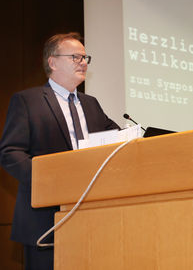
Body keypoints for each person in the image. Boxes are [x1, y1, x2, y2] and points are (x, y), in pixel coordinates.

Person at [0, 32, 120, 270]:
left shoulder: (91, 103)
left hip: (92, 217)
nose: (83, 62)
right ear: (52, 62)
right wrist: (51, 182)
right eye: (76, 57)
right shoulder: (27, 100)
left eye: (86, 58)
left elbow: (116, 138)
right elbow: (10, 153)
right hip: (44, 220)